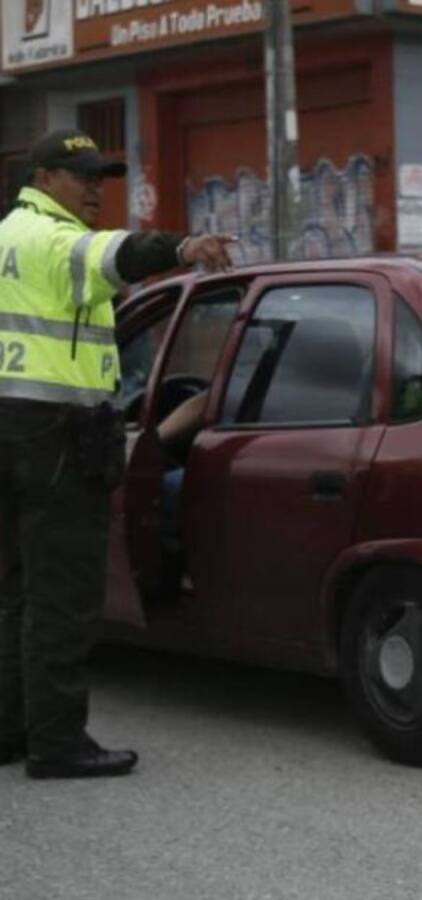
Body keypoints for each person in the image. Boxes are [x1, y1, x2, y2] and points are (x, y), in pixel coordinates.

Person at [0, 128, 233, 779]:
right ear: (43, 180)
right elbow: (116, 253)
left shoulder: (5, 237)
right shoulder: (53, 239)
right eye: (82, 177)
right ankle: (57, 743)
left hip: (11, 432)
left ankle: (10, 730)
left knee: (16, 591)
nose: (95, 190)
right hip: (55, 436)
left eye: (100, 179)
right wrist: (182, 247)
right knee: (64, 595)